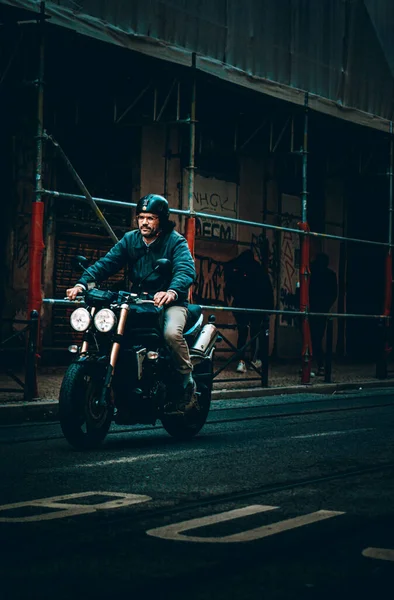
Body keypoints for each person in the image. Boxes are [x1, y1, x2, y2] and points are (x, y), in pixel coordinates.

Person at [66, 194, 196, 406]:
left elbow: (185, 269)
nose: (144, 222)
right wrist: (82, 283)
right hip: (138, 302)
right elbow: (106, 263)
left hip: (170, 303)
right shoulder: (131, 240)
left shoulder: (175, 242)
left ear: (161, 220)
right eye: (141, 217)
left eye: (151, 218)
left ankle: (186, 381)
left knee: (171, 334)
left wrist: (171, 291)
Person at [224, 250, 274, 373]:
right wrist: (269, 308)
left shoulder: (237, 268)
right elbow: (267, 290)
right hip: (256, 307)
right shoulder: (259, 270)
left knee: (243, 333)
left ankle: (241, 361)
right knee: (255, 333)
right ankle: (253, 359)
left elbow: (230, 281)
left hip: (241, 306)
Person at [309, 253, 338, 375]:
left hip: (312, 308)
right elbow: (333, 294)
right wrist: (326, 306)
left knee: (312, 338)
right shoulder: (330, 275)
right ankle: (320, 365)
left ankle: (314, 364)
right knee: (317, 338)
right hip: (321, 309)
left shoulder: (312, 272)